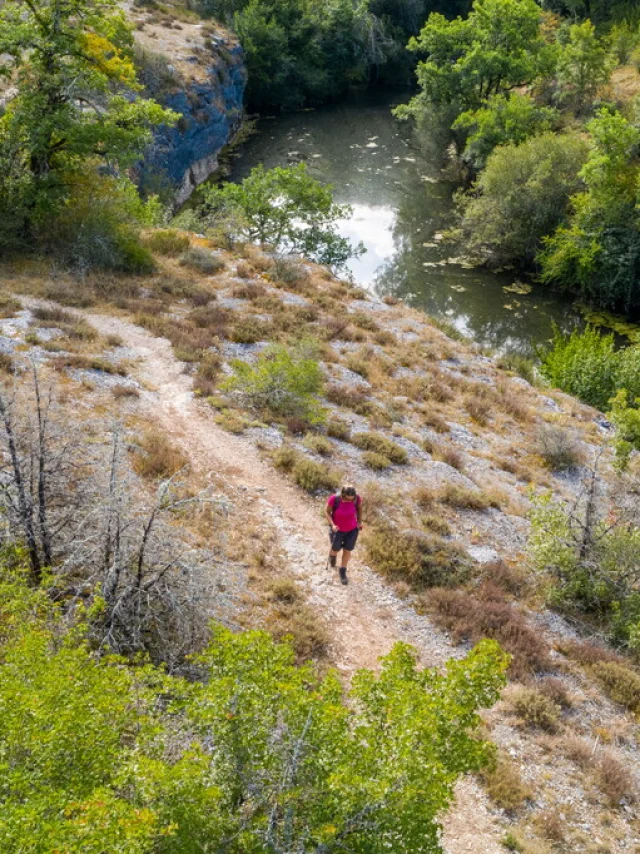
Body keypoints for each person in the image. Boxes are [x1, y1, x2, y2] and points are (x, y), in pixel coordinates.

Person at [325, 484, 362, 586]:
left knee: (347, 550)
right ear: (342, 494)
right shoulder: (334, 499)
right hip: (337, 530)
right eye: (347, 498)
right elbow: (327, 512)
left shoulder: (356, 498)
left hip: (352, 530)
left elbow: (359, 509)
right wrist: (332, 525)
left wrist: (359, 522)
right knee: (335, 549)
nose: (350, 501)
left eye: (352, 499)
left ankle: (342, 571)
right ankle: (333, 556)